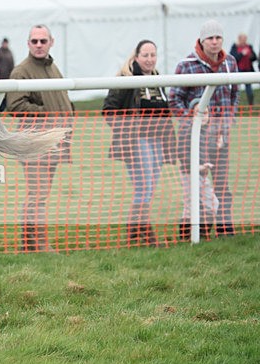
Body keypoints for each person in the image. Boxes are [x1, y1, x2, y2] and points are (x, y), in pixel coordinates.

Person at [102, 40, 177, 247]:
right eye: (145, 55)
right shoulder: (126, 79)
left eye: (153, 55)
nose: (149, 59)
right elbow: (108, 110)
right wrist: (127, 132)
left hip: (158, 141)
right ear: (136, 57)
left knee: (149, 188)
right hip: (137, 141)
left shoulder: (158, 80)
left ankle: (135, 234)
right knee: (144, 187)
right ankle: (145, 234)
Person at [6, 24, 74, 252]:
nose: (38, 45)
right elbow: (14, 105)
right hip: (35, 142)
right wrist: (48, 111)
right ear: (28, 44)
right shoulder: (22, 71)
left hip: (54, 141)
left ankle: (30, 244)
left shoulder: (52, 67)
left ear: (51, 42)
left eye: (42, 41)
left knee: (40, 194)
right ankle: (38, 243)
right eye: (34, 41)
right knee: (38, 195)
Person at [169, 19, 238, 237]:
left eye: (218, 38)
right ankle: (190, 232)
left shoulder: (231, 63)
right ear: (202, 40)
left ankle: (225, 230)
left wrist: (229, 119)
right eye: (210, 38)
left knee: (221, 186)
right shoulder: (186, 65)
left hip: (221, 137)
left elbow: (235, 94)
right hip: (194, 139)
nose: (215, 42)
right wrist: (193, 119)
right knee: (195, 188)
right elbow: (175, 99)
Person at [176, 98, 219, 240]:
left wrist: (218, 145)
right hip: (188, 173)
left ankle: (202, 234)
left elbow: (209, 153)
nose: (202, 116)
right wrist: (197, 166)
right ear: (191, 114)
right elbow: (182, 154)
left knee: (212, 204)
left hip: (202, 174)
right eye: (198, 113)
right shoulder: (187, 130)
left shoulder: (209, 131)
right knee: (190, 206)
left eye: (205, 113)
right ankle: (184, 237)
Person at [229, 32, 256, 105]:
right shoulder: (235, 47)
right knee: (236, 88)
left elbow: (254, 57)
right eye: (243, 39)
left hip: (248, 70)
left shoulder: (249, 46)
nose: (244, 40)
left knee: (249, 88)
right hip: (238, 71)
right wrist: (241, 54)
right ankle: (235, 103)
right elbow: (232, 58)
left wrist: (251, 56)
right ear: (239, 39)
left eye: (245, 39)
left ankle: (251, 104)